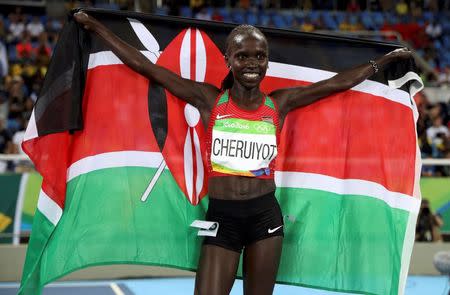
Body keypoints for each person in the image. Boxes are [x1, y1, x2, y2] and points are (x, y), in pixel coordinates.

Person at [74, 11, 412, 295]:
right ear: (228, 60)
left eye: (259, 56)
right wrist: (100, 30)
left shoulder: (278, 103)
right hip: (222, 217)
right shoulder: (209, 100)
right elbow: (148, 69)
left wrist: (381, 62)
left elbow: (335, 84)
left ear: (267, 61)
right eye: (243, 56)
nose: (252, 63)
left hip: (265, 217)